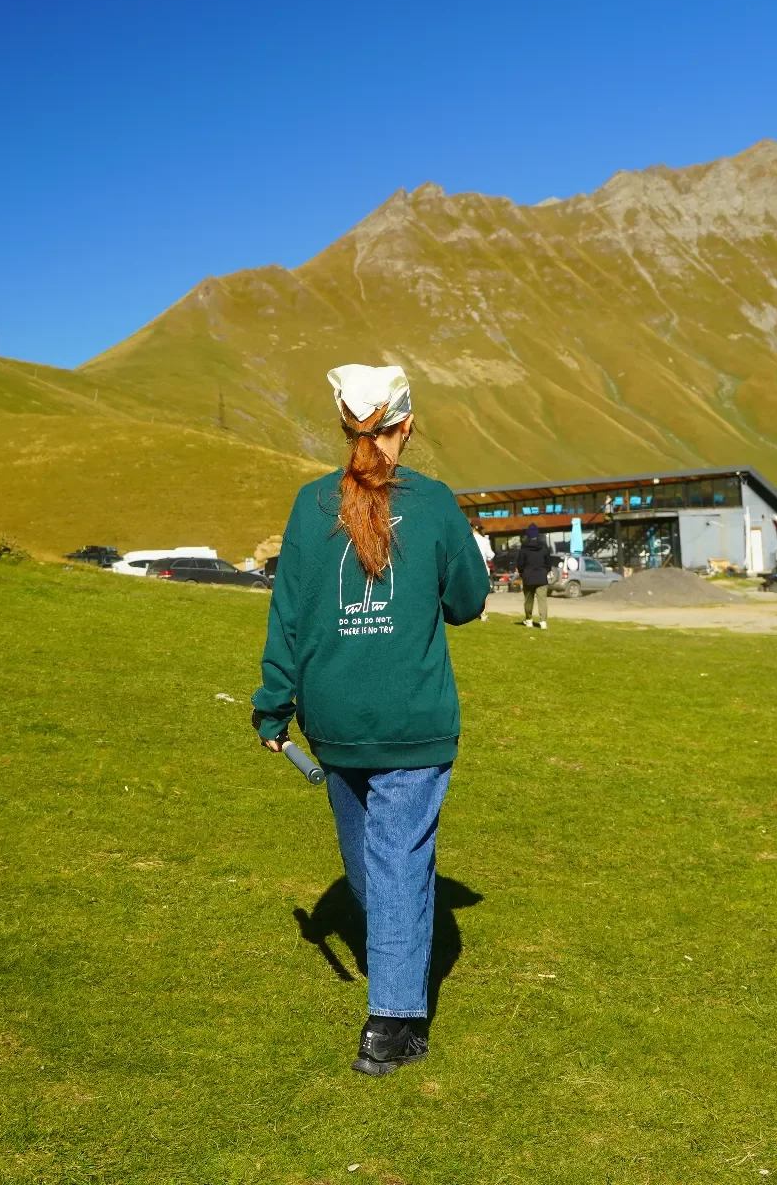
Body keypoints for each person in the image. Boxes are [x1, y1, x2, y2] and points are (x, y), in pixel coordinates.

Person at [252, 363, 488, 1077]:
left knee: (379, 864)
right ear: (406, 424)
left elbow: (287, 616)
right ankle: (392, 1021)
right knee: (394, 865)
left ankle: (392, 1010)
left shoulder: (309, 504)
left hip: (333, 716)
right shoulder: (434, 502)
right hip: (413, 717)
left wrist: (274, 707)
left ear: (345, 423)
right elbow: (468, 601)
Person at [517, 523, 552, 628]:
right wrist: (546, 571)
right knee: (542, 601)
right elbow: (548, 562)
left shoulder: (524, 548)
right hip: (541, 576)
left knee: (528, 600)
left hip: (528, 577)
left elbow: (520, 564)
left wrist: (522, 572)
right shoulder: (544, 547)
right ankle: (543, 622)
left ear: (528, 534)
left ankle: (529, 620)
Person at [470, 521, 495, 620]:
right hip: (483, 570)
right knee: (484, 593)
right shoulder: (485, 540)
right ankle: (483, 614)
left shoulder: (468, 540)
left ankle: (471, 613)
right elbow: (490, 555)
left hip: (470, 569)